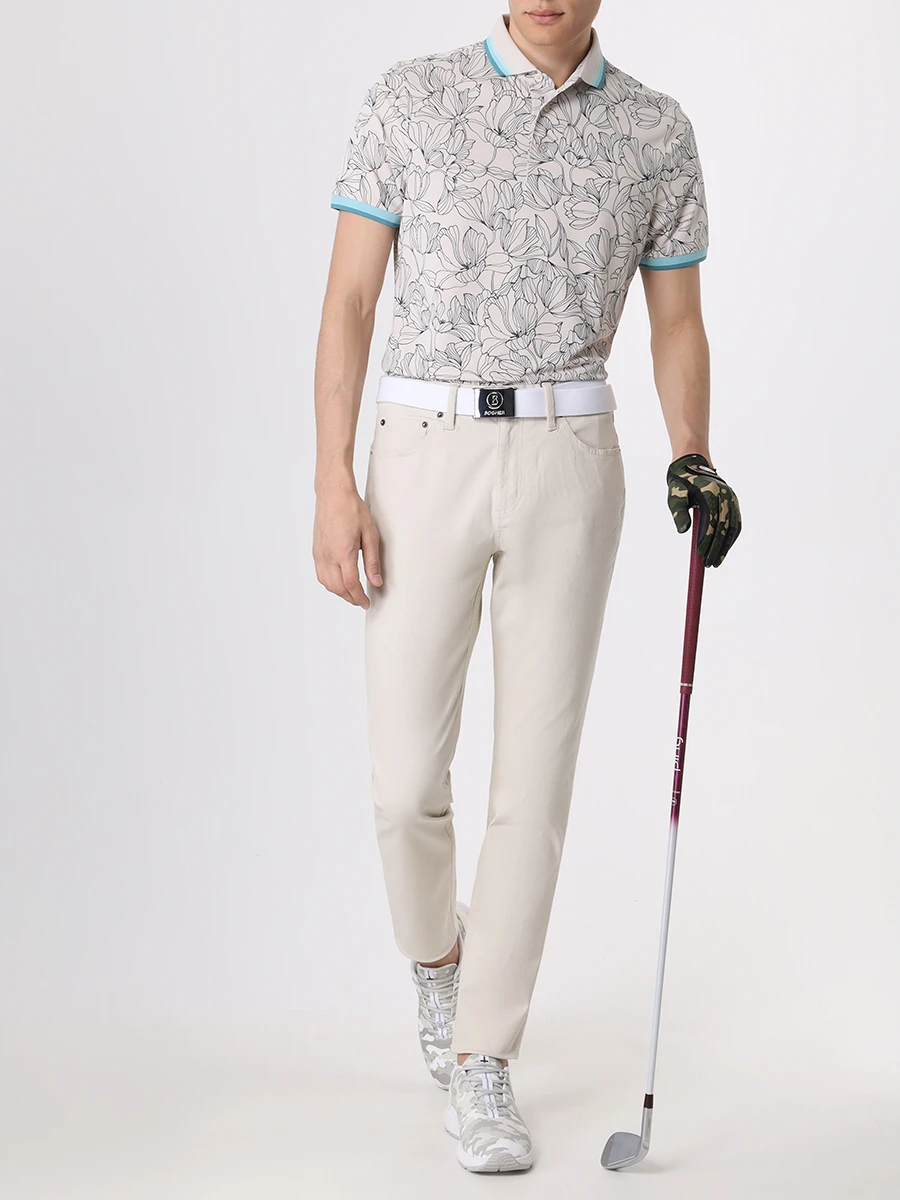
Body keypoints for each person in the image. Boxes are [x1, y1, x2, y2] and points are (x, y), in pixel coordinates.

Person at [313, 1, 741, 1174]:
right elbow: (350, 302)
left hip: (569, 461)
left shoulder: (656, 129)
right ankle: (439, 962)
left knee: (532, 786)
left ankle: (484, 1058)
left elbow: (677, 322)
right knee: (406, 784)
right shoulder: (409, 98)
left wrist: (693, 453)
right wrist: (332, 479)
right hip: (421, 451)